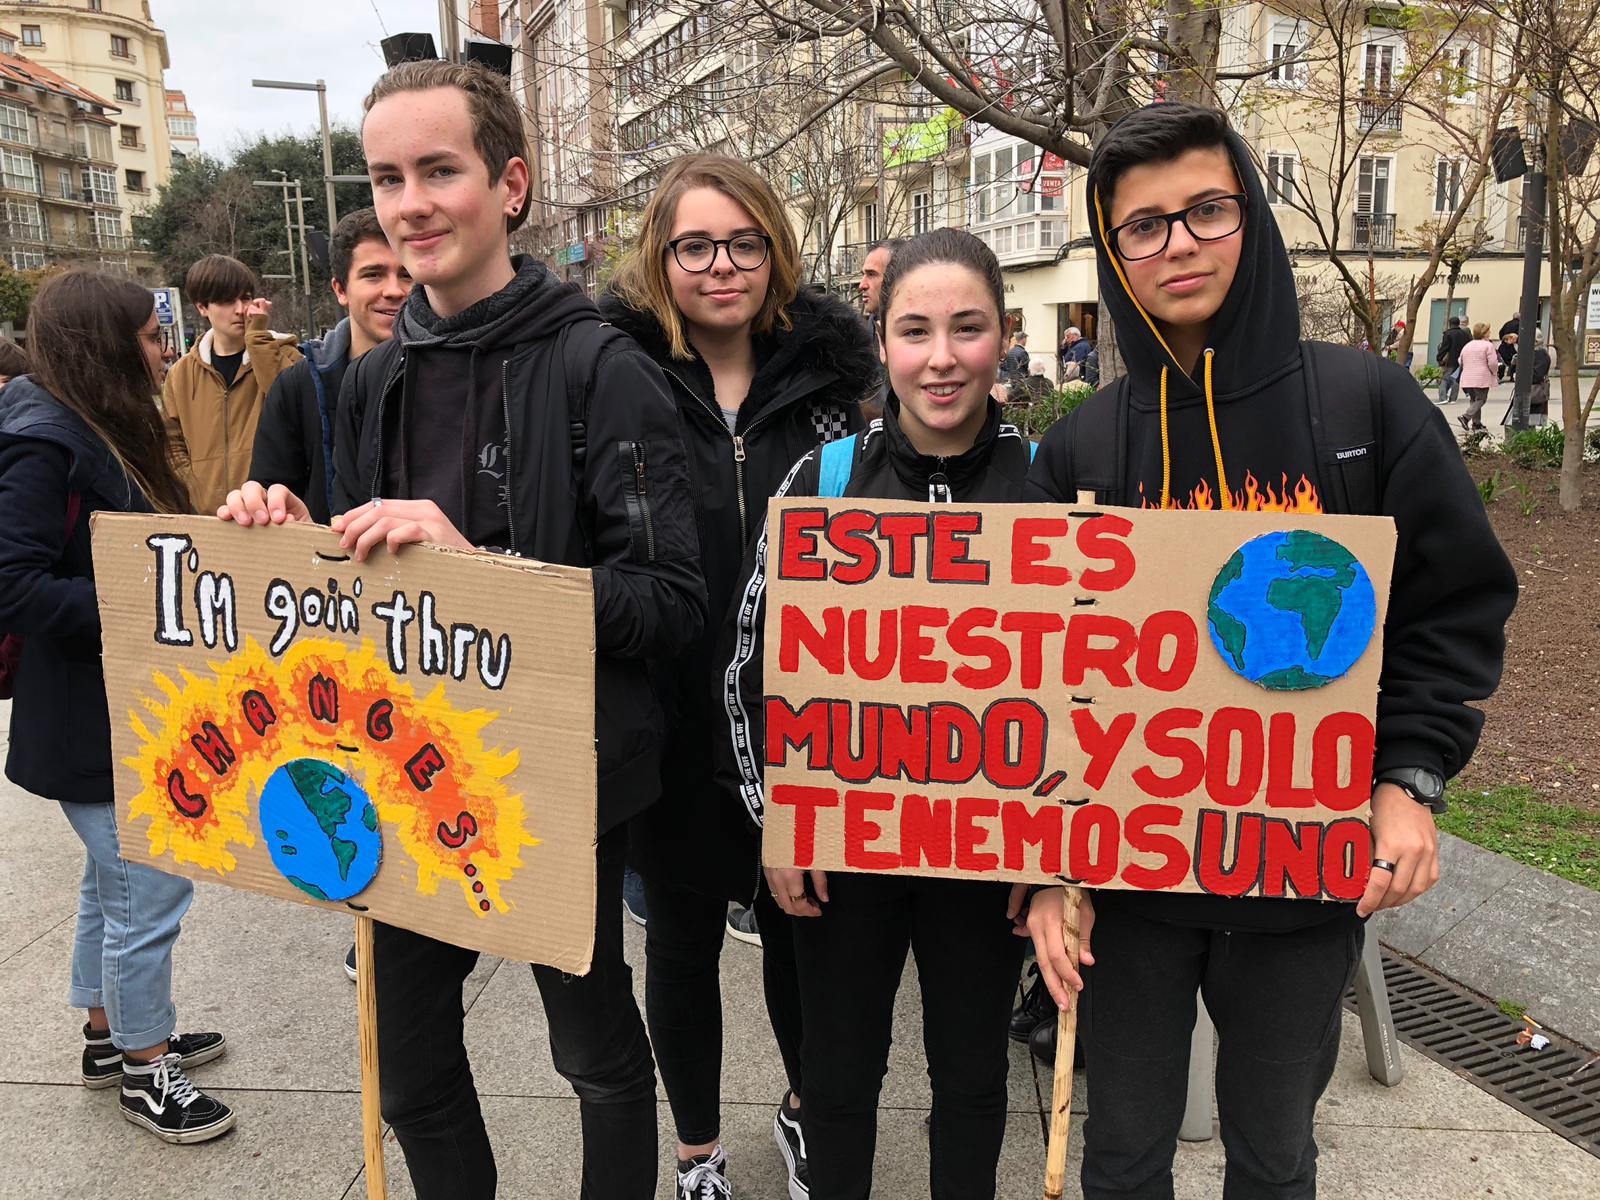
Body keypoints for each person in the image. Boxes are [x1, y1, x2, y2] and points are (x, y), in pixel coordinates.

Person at [217, 59, 707, 1200]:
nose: (410, 203)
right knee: (406, 1065)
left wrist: (487, 574)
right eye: (388, 178)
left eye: (439, 170)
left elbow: (672, 603)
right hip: (403, 765)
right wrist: (288, 537)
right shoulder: (372, 379)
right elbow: (371, 573)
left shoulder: (605, 368)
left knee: (592, 1055)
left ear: (511, 185)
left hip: (559, 776)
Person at [1023, 102, 1517, 1200]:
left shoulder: (1367, 406)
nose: (1179, 243)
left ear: (1250, 215)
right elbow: (1041, 671)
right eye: (1142, 226)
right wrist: (1042, 871)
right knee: (1121, 1154)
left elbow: (1453, 608)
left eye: (1205, 209)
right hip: (1128, 885)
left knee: (1274, 1156)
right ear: (1112, 252)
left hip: (1301, 882)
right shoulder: (1080, 445)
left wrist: (1411, 779)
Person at [719, 228, 1037, 1200]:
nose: (941, 357)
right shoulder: (821, 480)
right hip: (846, 845)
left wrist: (1058, 853)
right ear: (882, 340)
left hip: (984, 855)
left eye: (966, 328)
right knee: (839, 1073)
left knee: (975, 1074)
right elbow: (748, 663)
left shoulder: (1048, 487)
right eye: (915, 330)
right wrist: (777, 818)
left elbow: (1084, 693)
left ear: (1001, 337)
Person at [600, 152, 871, 1200]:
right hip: (663, 709)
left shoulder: (836, 384)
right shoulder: (614, 377)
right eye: (695, 245)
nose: (722, 266)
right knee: (676, 943)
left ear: (776, 249)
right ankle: (697, 1153)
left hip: (795, 712)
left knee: (799, 934)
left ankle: (806, 1111)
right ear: (659, 257)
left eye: (744, 242)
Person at [0, 271, 233, 1144]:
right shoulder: (42, 441)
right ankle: (146, 1066)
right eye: (146, 338)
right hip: (88, 715)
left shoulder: (87, 424)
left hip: (115, 706)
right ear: (102, 345)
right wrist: (142, 612)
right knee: (152, 885)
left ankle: (110, 1035)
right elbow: (14, 584)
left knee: (113, 885)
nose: (162, 352)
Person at [251, 207, 411, 526]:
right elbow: (271, 495)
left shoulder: (448, 379)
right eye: (373, 274)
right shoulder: (297, 388)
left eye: (406, 274)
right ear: (340, 290)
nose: (394, 290)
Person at [160, 255, 301, 513]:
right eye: (226, 300)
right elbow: (171, 442)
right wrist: (195, 489)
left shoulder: (285, 356)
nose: (239, 309)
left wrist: (258, 338)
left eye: (245, 298)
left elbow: (296, 410)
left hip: (272, 513)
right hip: (208, 518)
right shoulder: (181, 373)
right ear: (202, 307)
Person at [857, 239, 902, 421]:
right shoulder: (855, 347)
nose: (862, 284)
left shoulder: (933, 340)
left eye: (872, 274)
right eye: (863, 274)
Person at [1502, 331, 1553, 428]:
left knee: (1526, 422)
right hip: (1525, 390)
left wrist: (1521, 375)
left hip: (1534, 391)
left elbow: (1537, 375)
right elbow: (1512, 371)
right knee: (1515, 422)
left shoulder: (1541, 354)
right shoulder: (1524, 353)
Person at [1458, 321, 1500, 431]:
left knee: (1474, 400)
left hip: (1467, 377)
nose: (1490, 332)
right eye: (1488, 331)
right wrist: (1495, 372)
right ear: (1484, 333)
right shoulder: (1488, 345)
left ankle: (1476, 423)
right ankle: (1466, 417)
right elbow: (1493, 363)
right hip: (1481, 377)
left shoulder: (1468, 345)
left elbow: (1460, 360)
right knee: (1481, 399)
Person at [1434, 314, 1470, 405]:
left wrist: (1439, 358)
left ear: (1450, 324)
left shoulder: (1448, 334)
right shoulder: (1465, 334)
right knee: (1456, 379)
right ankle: (1453, 398)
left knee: (1444, 378)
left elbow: (1444, 347)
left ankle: (1443, 397)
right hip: (1461, 360)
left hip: (1451, 360)